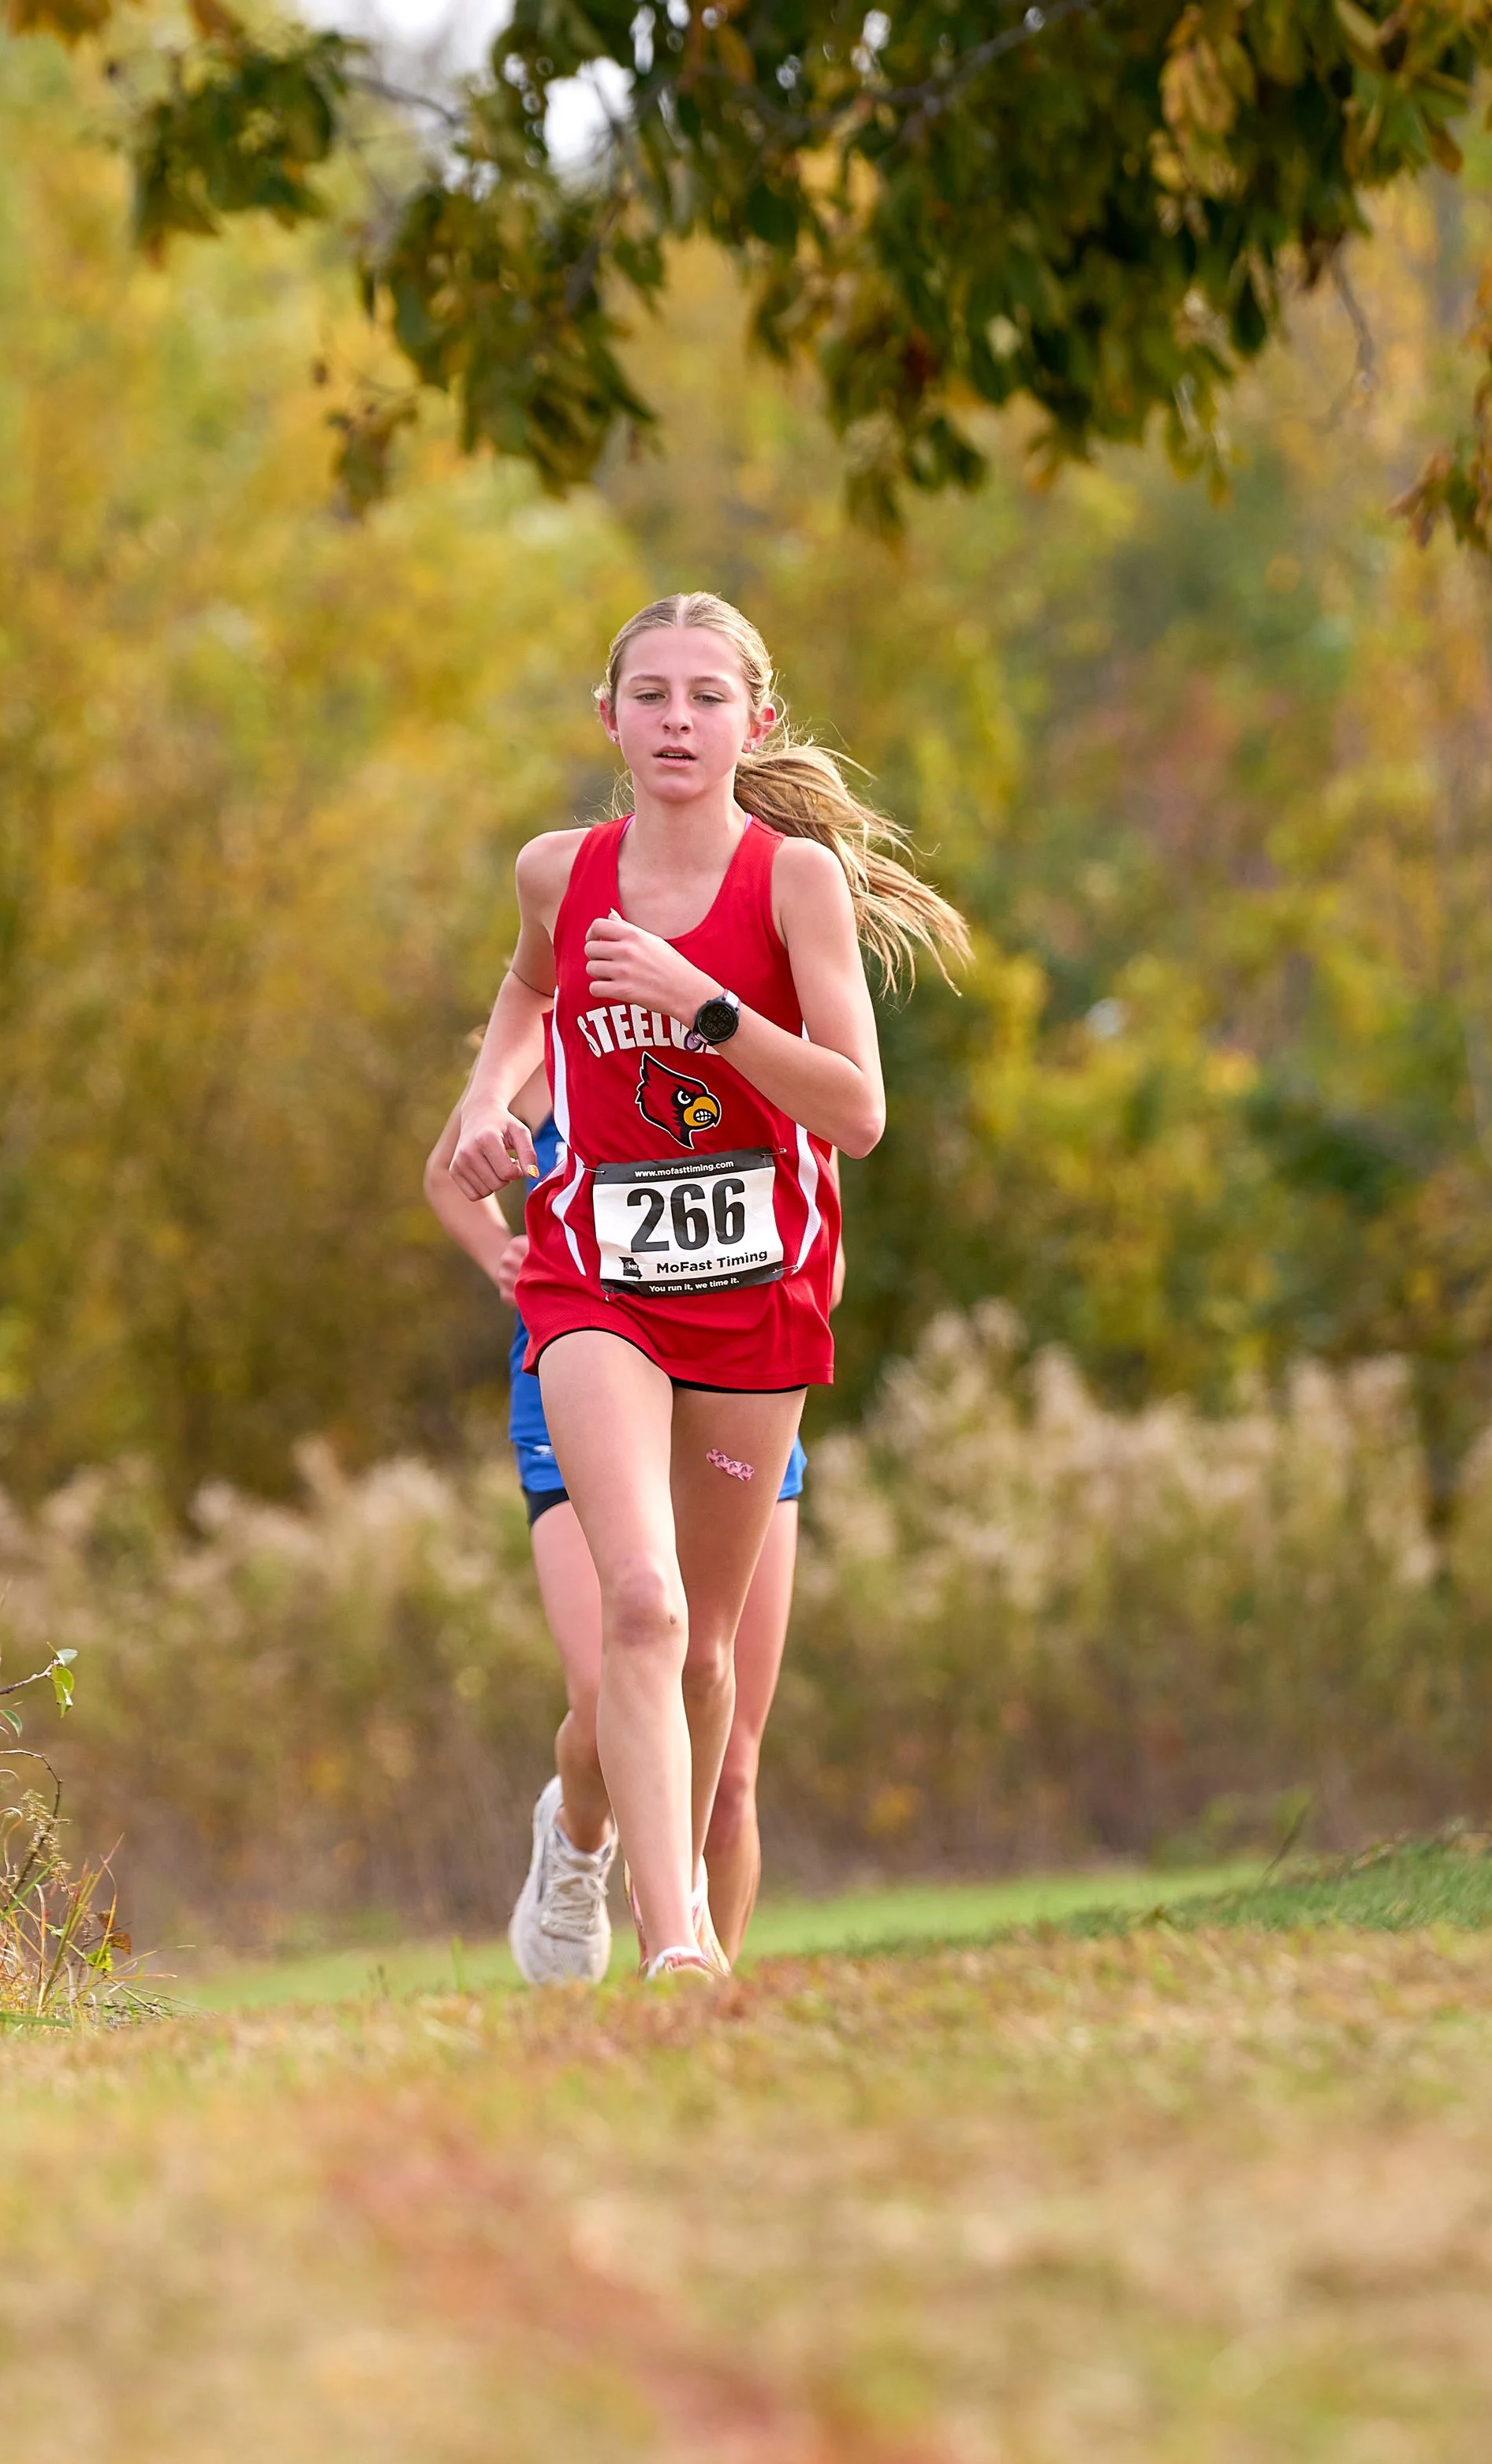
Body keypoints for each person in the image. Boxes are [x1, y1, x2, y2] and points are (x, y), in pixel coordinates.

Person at [447, 591, 966, 1981]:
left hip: (755, 1296)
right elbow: (526, 996)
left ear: (758, 719)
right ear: (607, 718)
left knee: (712, 1672)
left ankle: (637, 1890)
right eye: (652, 695)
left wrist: (705, 1007)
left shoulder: (793, 883)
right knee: (642, 1608)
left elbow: (857, 1113)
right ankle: (673, 1950)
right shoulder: (557, 872)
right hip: (593, 1280)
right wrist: (489, 1108)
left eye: (707, 697)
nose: (678, 721)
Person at [424, 1069, 837, 1981]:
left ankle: (701, 2003)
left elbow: (827, 1238)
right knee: (605, 1679)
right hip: (582, 1373)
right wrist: (503, 1252)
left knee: (727, 1770)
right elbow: (446, 1171)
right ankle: (578, 1840)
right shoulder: (569, 1034)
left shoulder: (755, 1027)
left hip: (733, 1379)